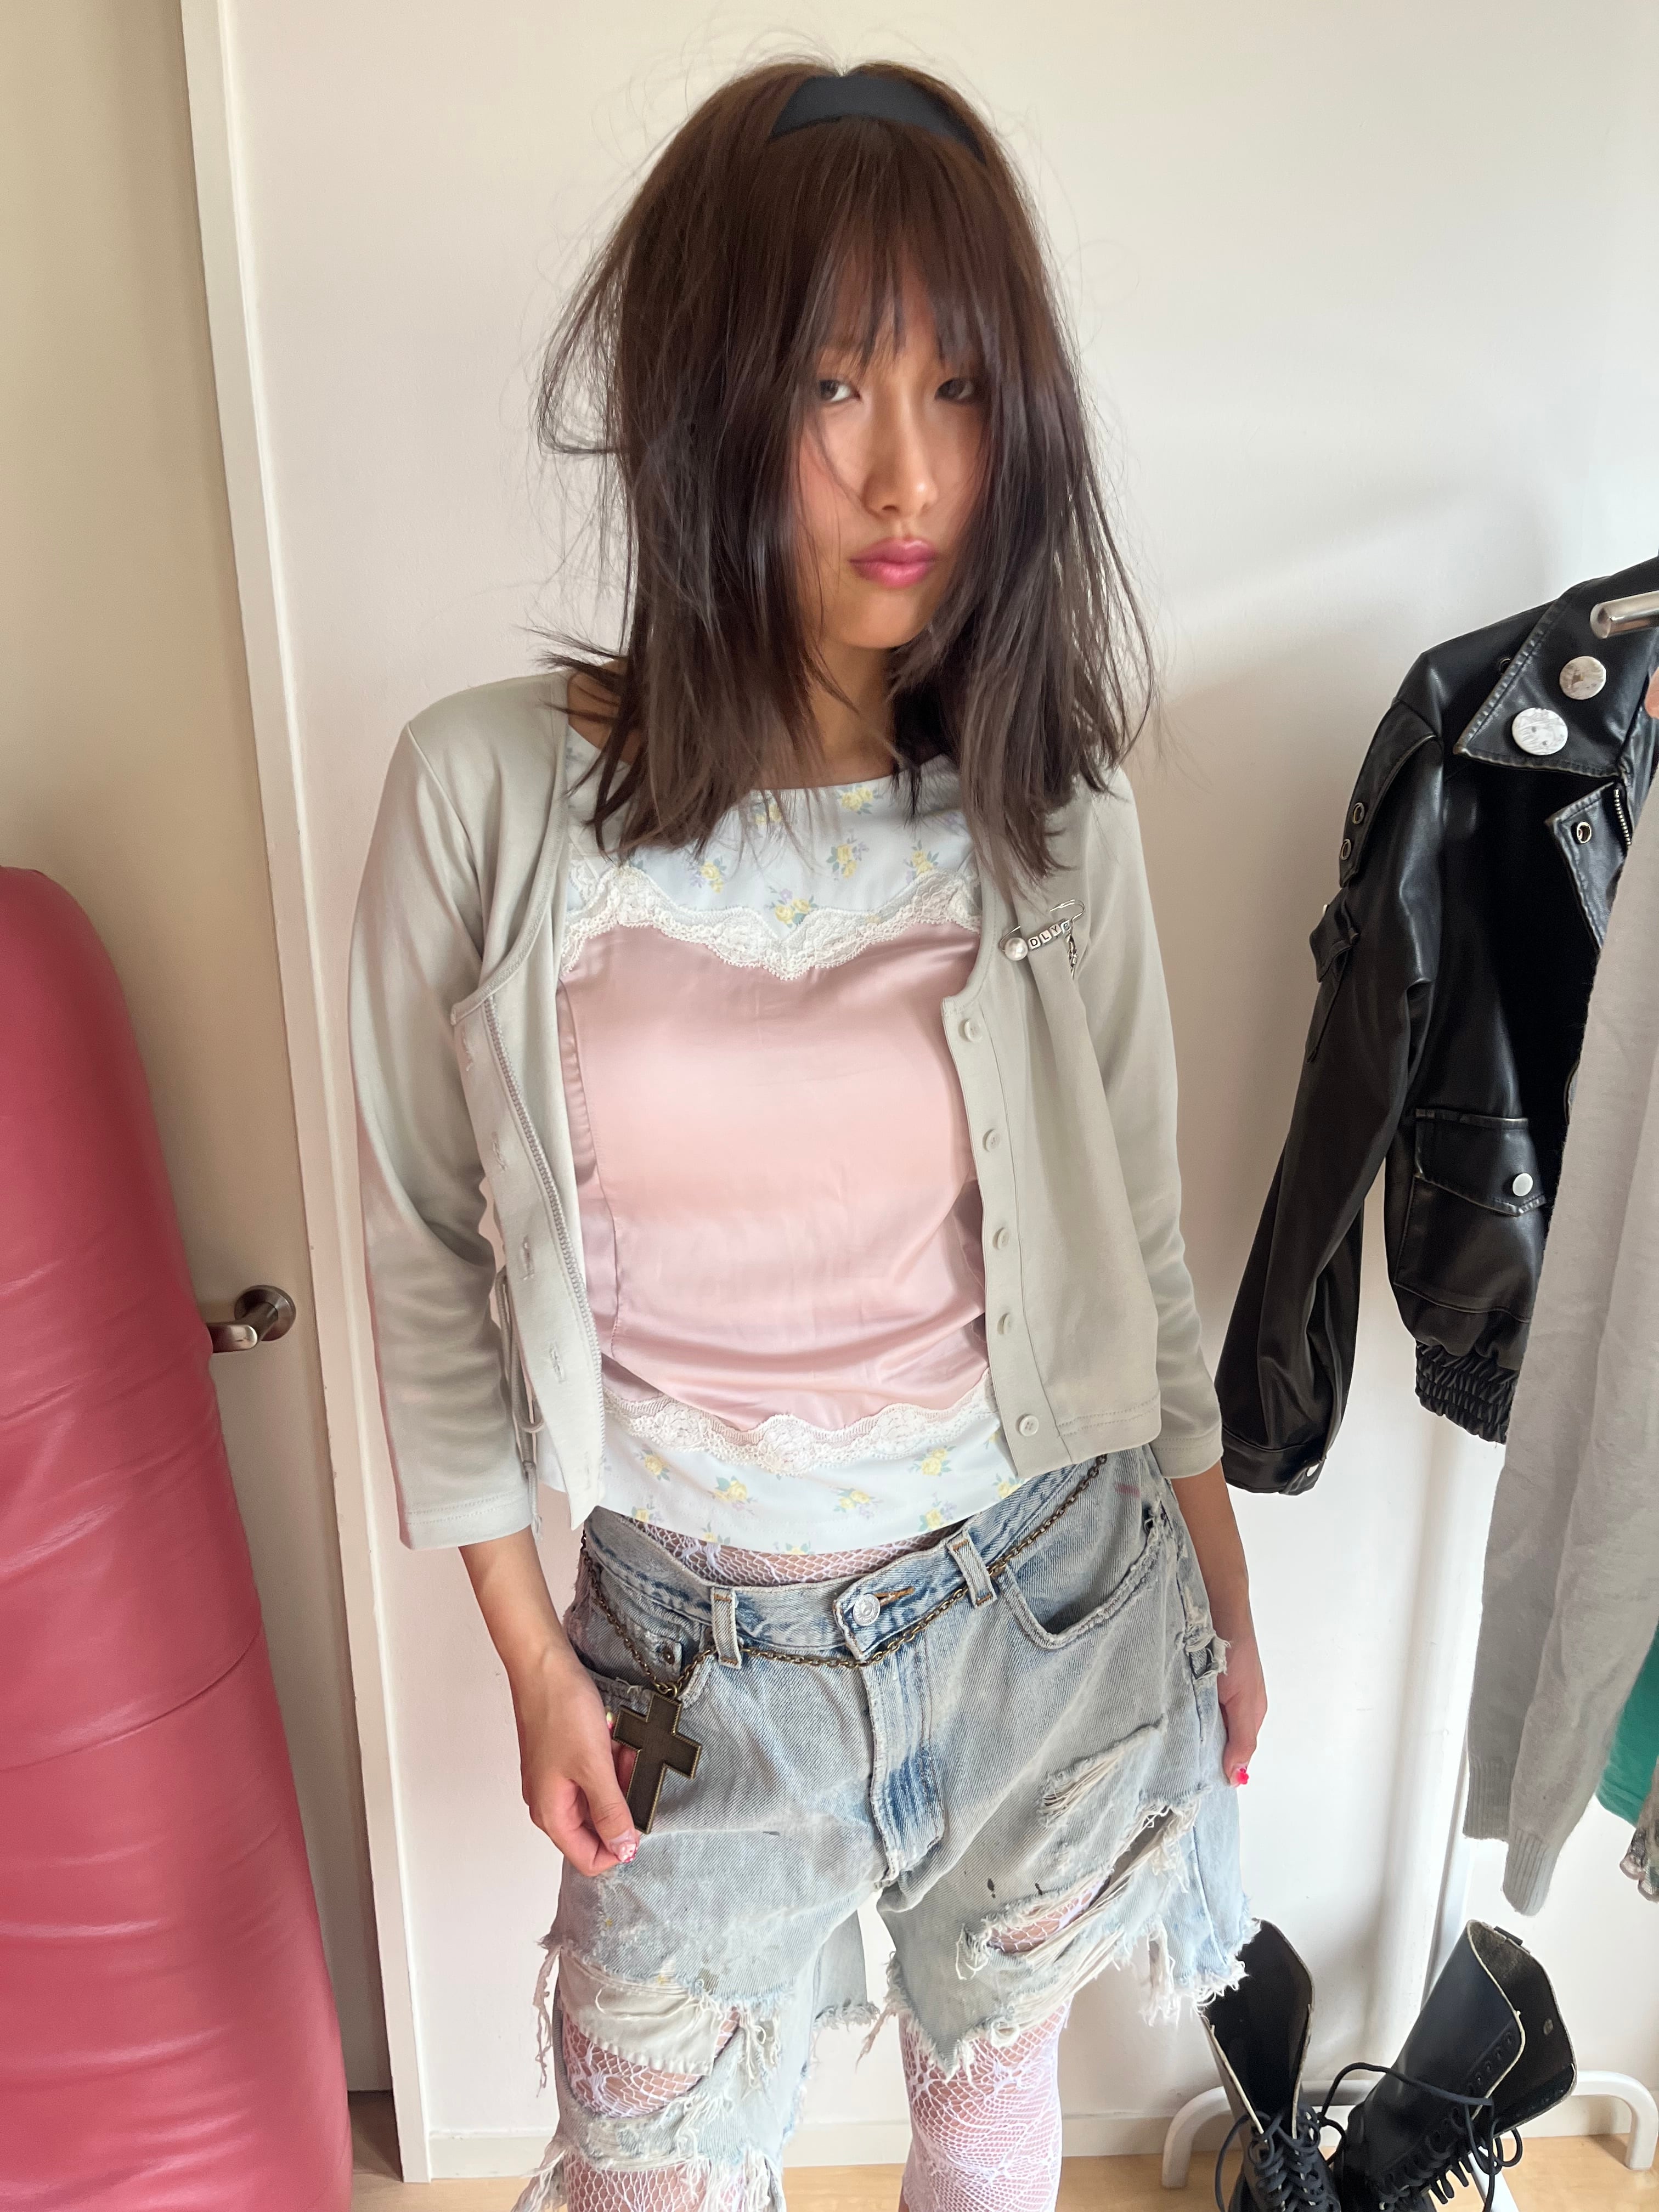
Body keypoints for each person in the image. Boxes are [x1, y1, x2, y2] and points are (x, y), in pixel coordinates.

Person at [348, 58, 1266, 2212]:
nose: (906, 471)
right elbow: (420, 1245)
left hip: (1052, 1602)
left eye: (961, 391)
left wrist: (1217, 1564)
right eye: (834, 385)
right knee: (650, 2170)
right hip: (691, 1659)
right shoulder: (488, 797)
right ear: (703, 402)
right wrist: (527, 1650)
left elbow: (1134, 1220)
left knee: (993, 2116)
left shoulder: (1051, 804)